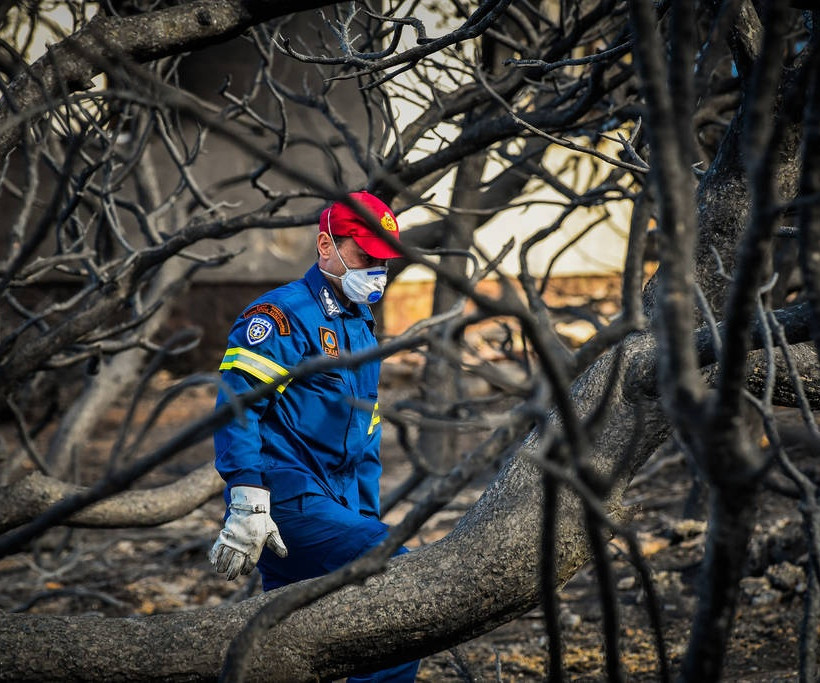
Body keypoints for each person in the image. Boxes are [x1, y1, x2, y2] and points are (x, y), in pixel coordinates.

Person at [209, 191, 419, 682]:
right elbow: (236, 407)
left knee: (295, 649)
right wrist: (246, 498)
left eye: (385, 260)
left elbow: (366, 437)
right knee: (397, 580)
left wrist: (364, 517)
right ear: (326, 245)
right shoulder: (280, 316)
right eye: (366, 256)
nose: (378, 271)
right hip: (286, 499)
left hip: (336, 503)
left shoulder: (361, 327)